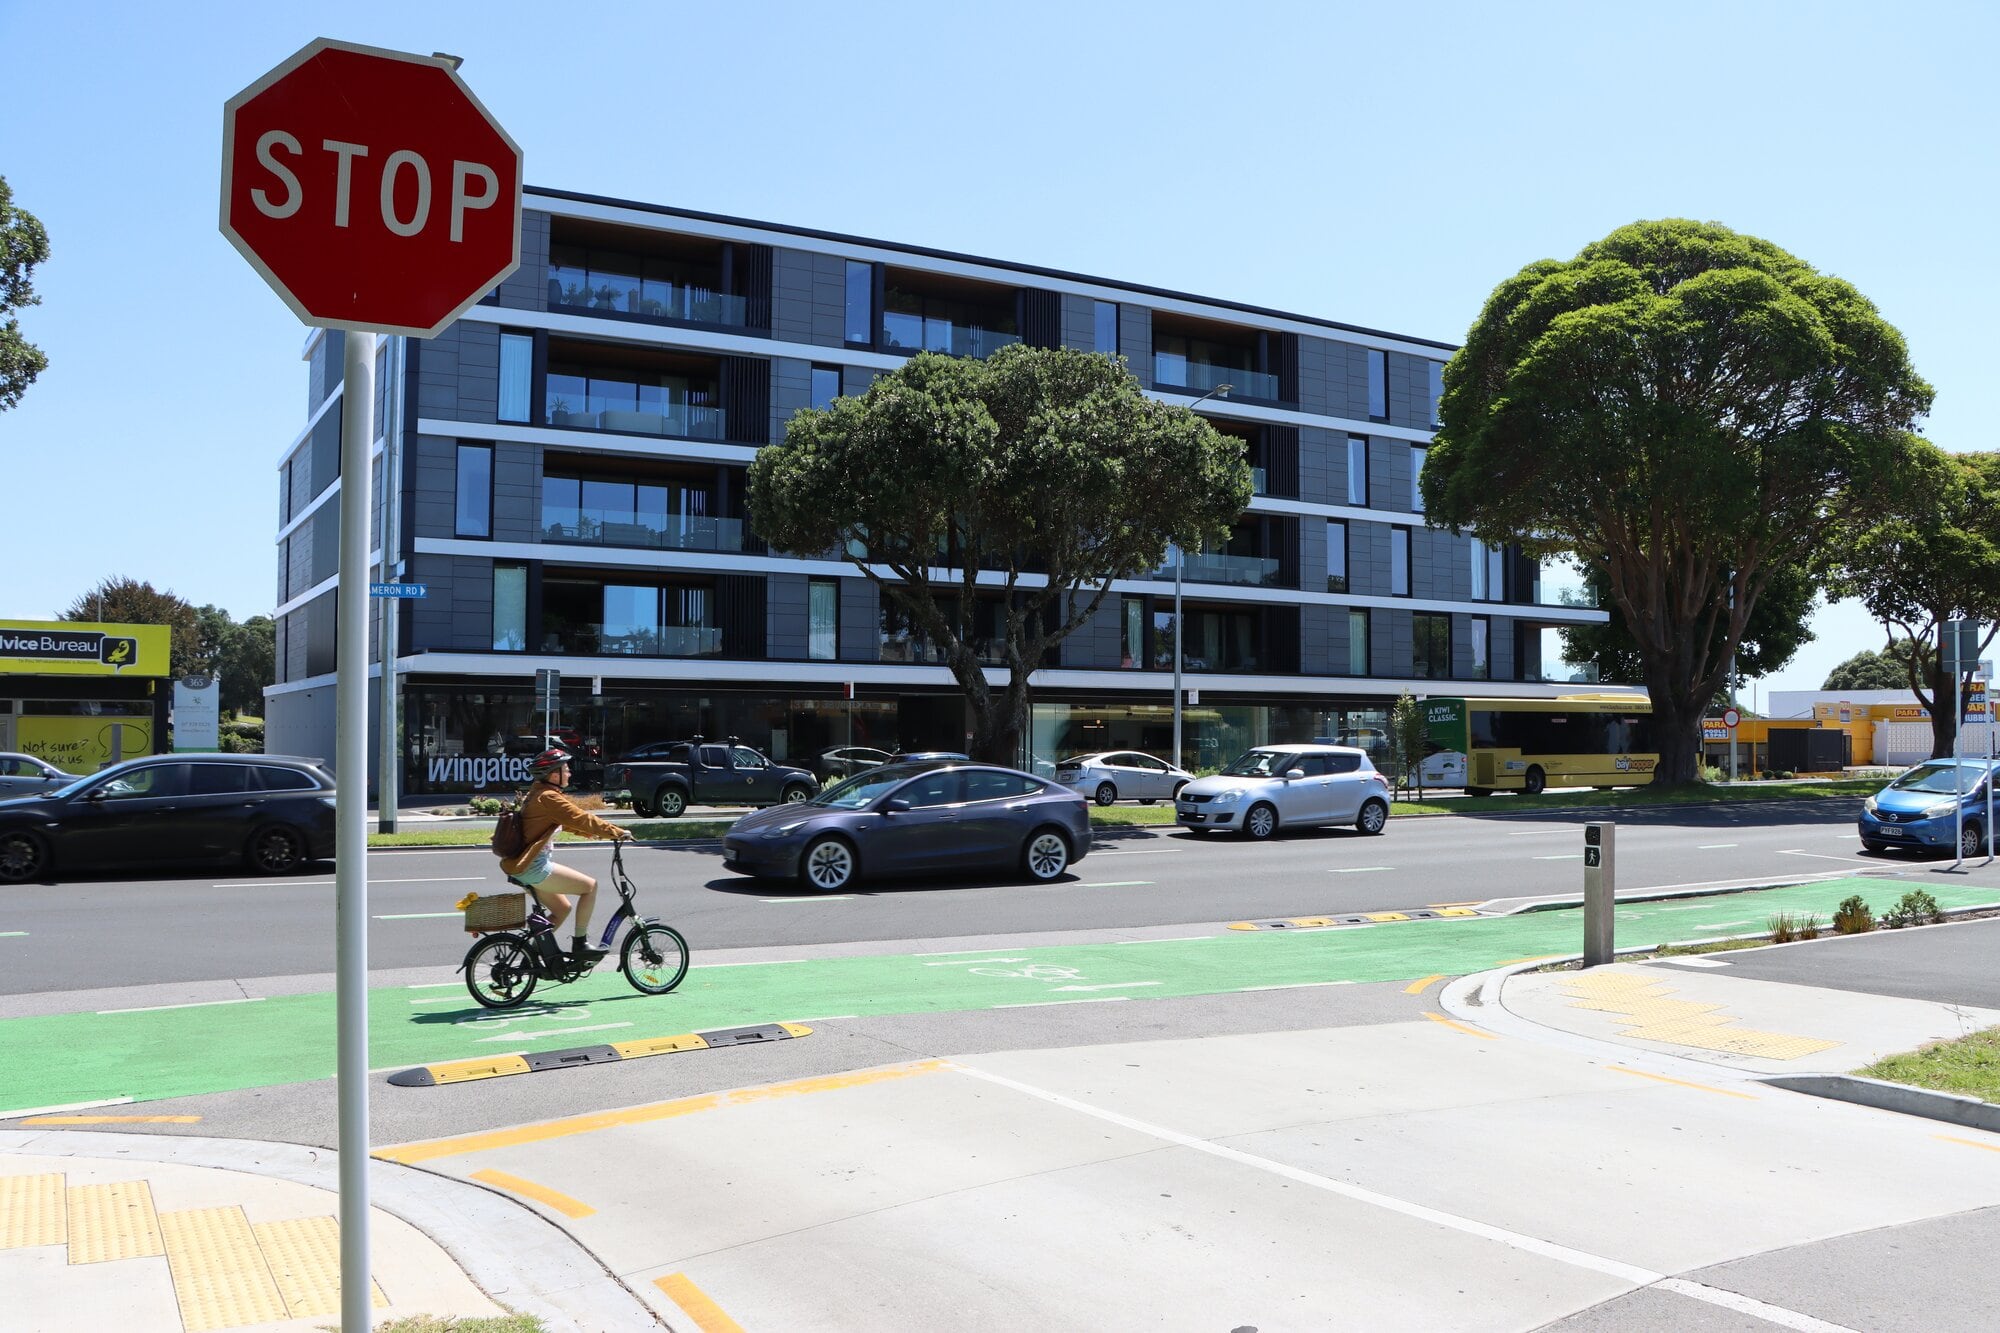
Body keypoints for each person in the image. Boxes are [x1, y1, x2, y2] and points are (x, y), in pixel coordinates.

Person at [499, 747, 632, 960]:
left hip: (524, 867)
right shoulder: (549, 797)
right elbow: (580, 817)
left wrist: (590, 834)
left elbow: (560, 823)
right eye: (566, 769)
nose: (569, 773)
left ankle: (531, 954)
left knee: (562, 910)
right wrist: (615, 832)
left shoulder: (539, 794)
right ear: (554, 774)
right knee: (590, 887)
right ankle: (581, 944)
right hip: (534, 867)